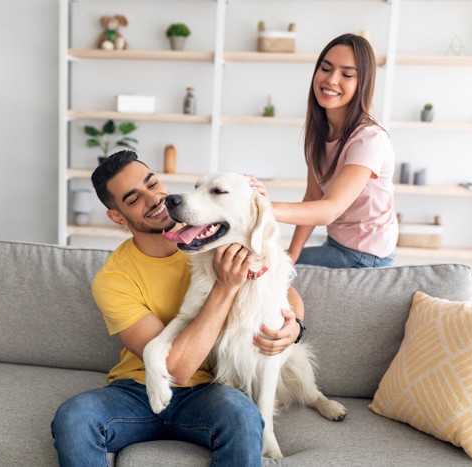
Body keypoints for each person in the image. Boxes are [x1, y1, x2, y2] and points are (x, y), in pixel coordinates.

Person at [51, 150, 304, 466]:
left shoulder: (213, 238)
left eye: (153, 183)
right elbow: (176, 370)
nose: (154, 199)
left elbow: (282, 287)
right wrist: (224, 288)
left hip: (209, 390)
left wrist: (294, 326)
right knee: (74, 416)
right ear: (117, 216)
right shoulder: (113, 279)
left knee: (242, 415)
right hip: (138, 390)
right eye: (133, 199)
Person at [251, 33, 398, 269]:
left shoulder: (369, 139)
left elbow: (329, 209)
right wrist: (293, 253)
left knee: (263, 269)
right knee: (272, 264)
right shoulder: (321, 132)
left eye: (347, 74)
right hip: (337, 243)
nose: (331, 80)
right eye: (326, 68)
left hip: (367, 257)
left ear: (362, 84)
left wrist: (258, 206)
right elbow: (313, 196)